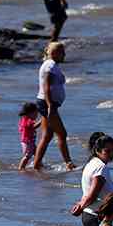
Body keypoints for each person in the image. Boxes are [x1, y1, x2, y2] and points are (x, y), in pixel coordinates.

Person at [32, 41, 75, 169]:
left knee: (47, 135)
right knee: (62, 134)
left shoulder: (51, 65)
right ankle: (69, 164)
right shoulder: (50, 66)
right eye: (62, 53)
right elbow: (46, 86)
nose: (65, 55)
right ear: (55, 53)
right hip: (47, 103)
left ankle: (36, 164)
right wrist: (50, 105)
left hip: (46, 103)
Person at [16, 101, 40, 171]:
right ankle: (21, 168)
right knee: (27, 155)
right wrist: (42, 120)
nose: (37, 115)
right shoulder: (27, 120)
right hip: (27, 141)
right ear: (30, 113)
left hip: (30, 141)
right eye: (36, 113)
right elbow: (34, 126)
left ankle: (39, 164)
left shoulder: (26, 119)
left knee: (37, 153)